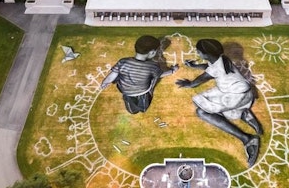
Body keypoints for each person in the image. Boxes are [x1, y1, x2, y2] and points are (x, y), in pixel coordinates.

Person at [176, 38, 263, 167]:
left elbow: (198, 81)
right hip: (244, 93)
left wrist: (188, 84)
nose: (198, 54)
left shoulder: (216, 68)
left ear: (205, 54)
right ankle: (244, 113)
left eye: (199, 52)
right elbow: (210, 68)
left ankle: (248, 139)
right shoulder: (223, 59)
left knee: (202, 111)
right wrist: (195, 66)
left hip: (235, 96)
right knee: (206, 100)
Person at [100, 35, 177, 114]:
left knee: (130, 106)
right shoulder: (152, 66)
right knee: (144, 106)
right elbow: (160, 74)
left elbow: (113, 74)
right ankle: (142, 108)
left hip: (126, 92)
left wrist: (105, 82)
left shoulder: (123, 61)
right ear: (152, 52)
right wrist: (172, 70)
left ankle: (132, 110)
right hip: (142, 92)